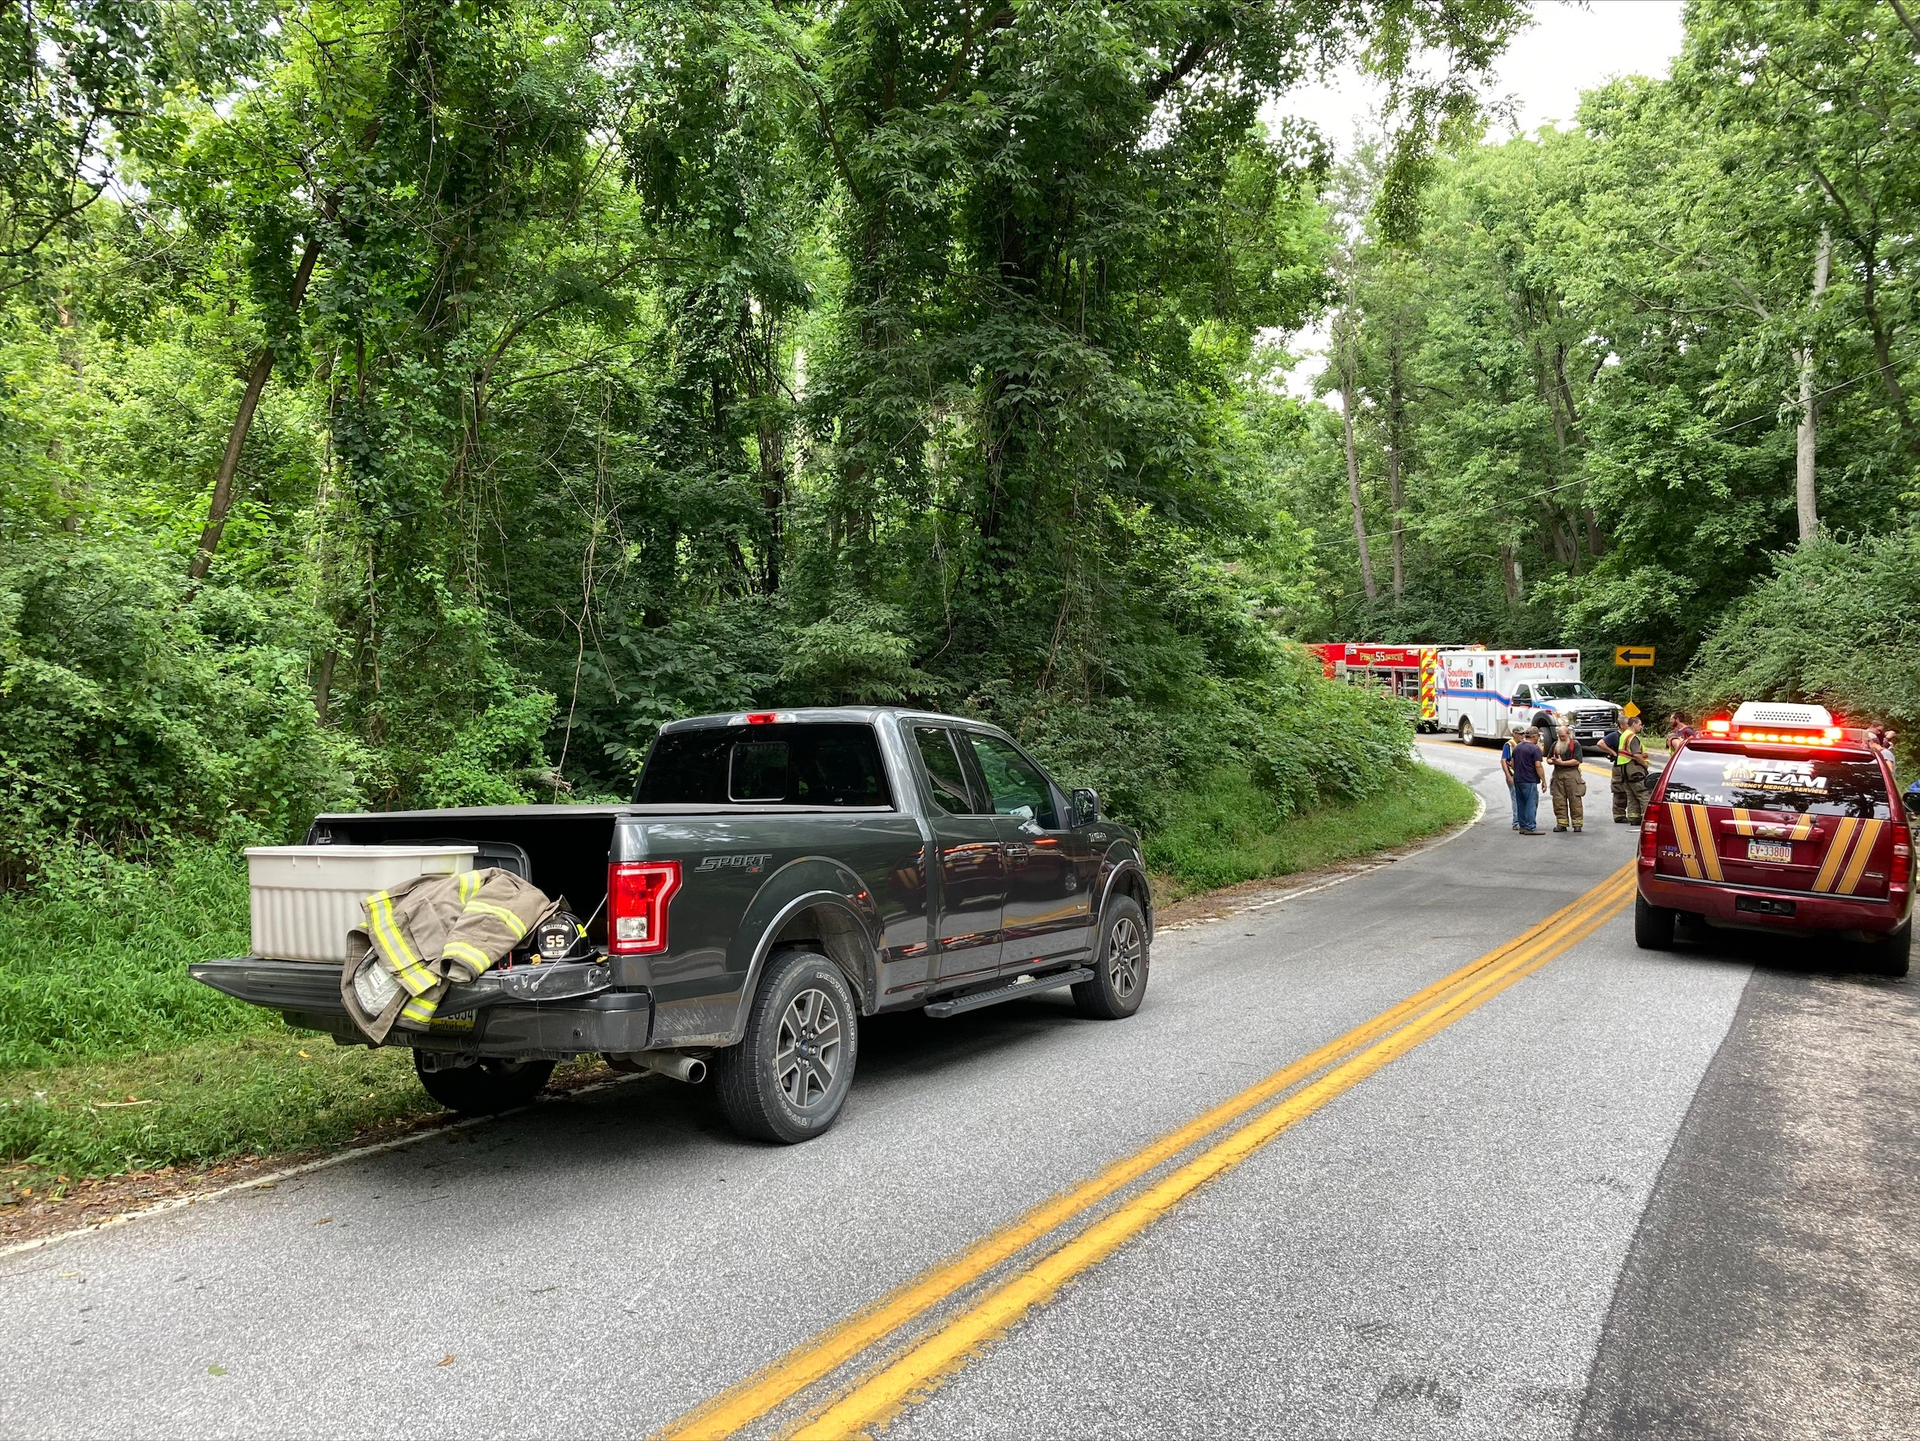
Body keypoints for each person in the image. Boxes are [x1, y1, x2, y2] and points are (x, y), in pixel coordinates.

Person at [1615, 715, 1652, 824]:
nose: (1640, 727)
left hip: (1624, 771)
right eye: (1639, 724)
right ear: (1634, 724)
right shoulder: (1633, 737)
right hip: (1634, 769)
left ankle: (1634, 818)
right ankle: (1647, 818)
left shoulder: (1624, 735)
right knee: (1643, 794)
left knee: (1631, 796)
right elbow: (1636, 755)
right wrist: (1645, 764)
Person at [1548, 727, 1586, 833]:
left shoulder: (1575, 745)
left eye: (1563, 736)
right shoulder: (1555, 745)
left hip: (1572, 774)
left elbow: (1577, 760)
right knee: (1558, 800)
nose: (1561, 738)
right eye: (1560, 736)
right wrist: (1552, 761)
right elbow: (1548, 758)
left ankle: (1577, 824)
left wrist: (1562, 763)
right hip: (1558, 775)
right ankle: (1561, 824)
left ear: (1568, 734)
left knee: (1575, 800)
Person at [1512, 727, 1546, 835]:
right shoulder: (1535, 749)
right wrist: (1543, 780)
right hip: (1529, 780)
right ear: (1535, 736)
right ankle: (1530, 827)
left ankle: (1522, 826)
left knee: (1521, 803)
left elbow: (1512, 763)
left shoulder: (1517, 747)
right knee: (1530, 804)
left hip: (1518, 779)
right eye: (1538, 736)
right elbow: (1538, 765)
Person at [1597, 720, 1628, 823]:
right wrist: (1612, 752)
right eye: (1628, 723)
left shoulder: (1629, 736)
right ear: (1622, 725)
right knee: (1619, 790)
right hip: (1618, 767)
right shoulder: (1615, 736)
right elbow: (1600, 743)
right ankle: (1619, 815)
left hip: (1629, 767)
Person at [1500, 730, 1521, 830]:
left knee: (1521, 799)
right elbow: (1503, 760)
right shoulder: (1509, 745)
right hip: (1512, 775)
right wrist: (1508, 776)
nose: (1522, 735)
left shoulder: (1522, 744)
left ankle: (1522, 821)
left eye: (1523, 733)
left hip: (1522, 776)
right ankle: (1516, 822)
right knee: (1515, 799)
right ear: (1514, 734)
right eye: (1520, 734)